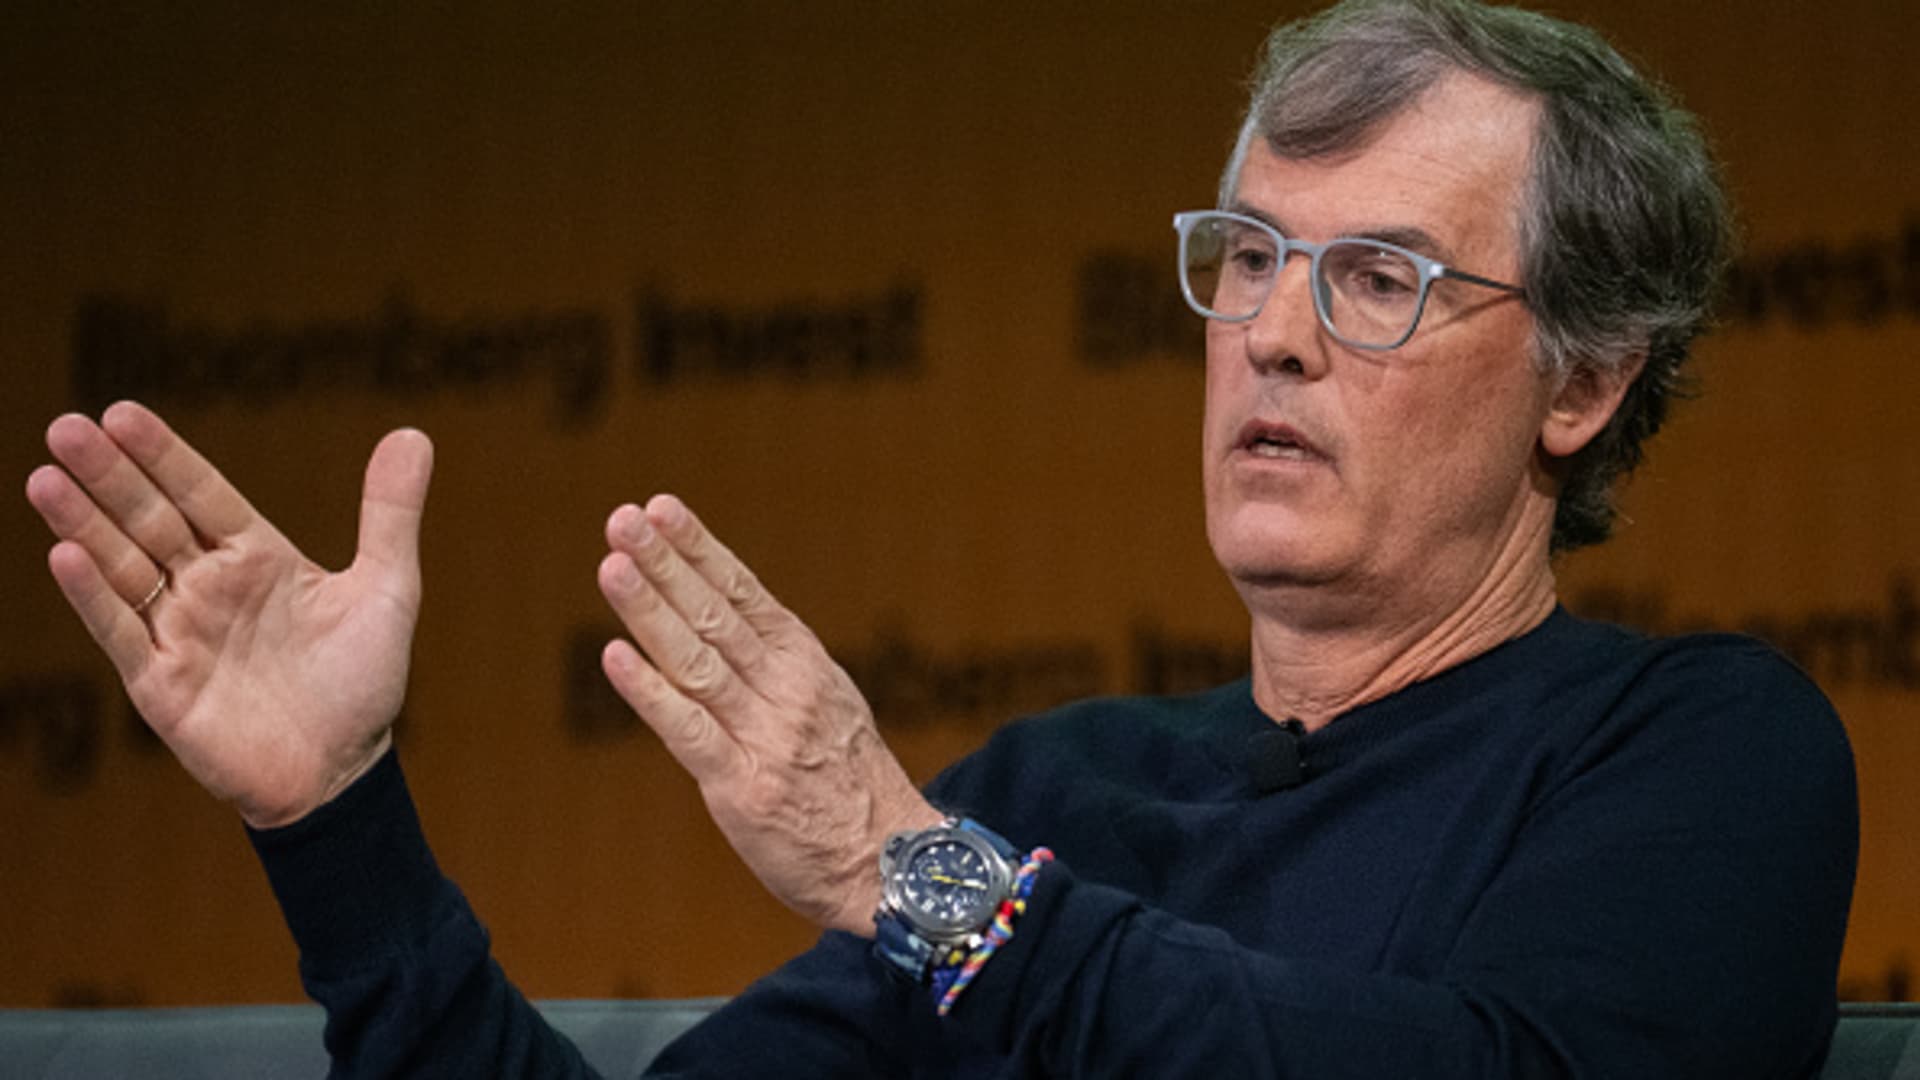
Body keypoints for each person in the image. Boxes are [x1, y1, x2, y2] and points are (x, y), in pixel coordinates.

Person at [26, 0, 1857, 1075]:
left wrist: (922, 878)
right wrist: (337, 823)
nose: (1275, 336)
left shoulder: (1698, 753)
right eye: (1247, 259)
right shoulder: (1060, 793)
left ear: (1582, 379)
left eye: (1377, 277)